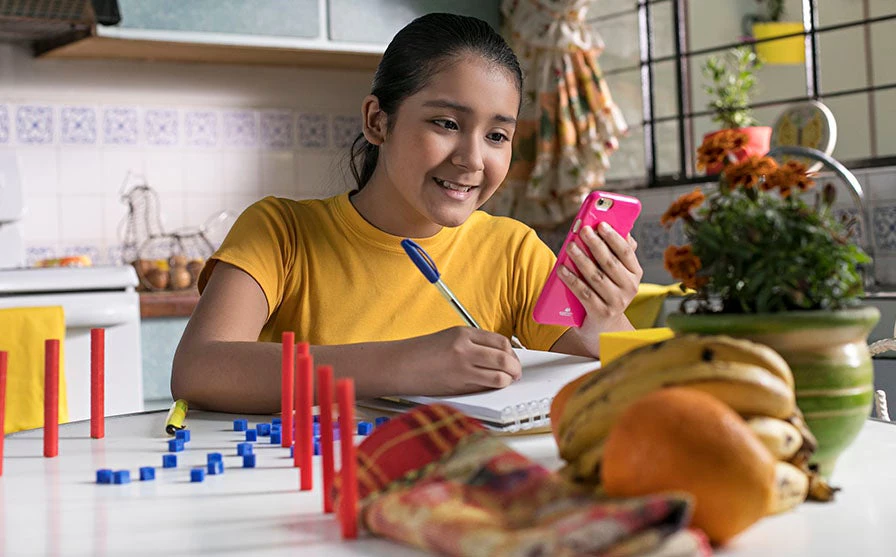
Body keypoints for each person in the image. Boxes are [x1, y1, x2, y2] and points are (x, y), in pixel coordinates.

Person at [171, 13, 642, 413]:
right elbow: (199, 369)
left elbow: (625, 379)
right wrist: (400, 366)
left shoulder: (513, 249)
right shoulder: (280, 232)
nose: (473, 159)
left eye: (497, 136)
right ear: (378, 120)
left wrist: (604, 317)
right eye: (447, 124)